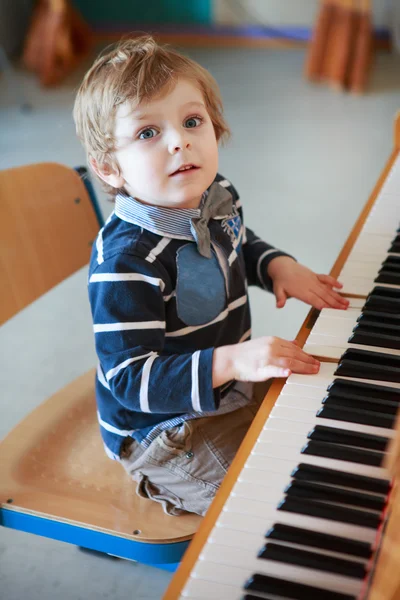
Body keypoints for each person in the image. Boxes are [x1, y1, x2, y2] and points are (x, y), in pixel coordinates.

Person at [73, 36, 349, 516]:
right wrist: (234, 361)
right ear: (109, 168)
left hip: (226, 383)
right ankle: (159, 488)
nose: (179, 139)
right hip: (162, 429)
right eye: (147, 133)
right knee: (265, 504)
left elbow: (238, 241)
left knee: (324, 422)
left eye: (192, 121)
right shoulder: (125, 262)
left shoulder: (216, 194)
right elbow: (130, 378)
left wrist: (276, 266)